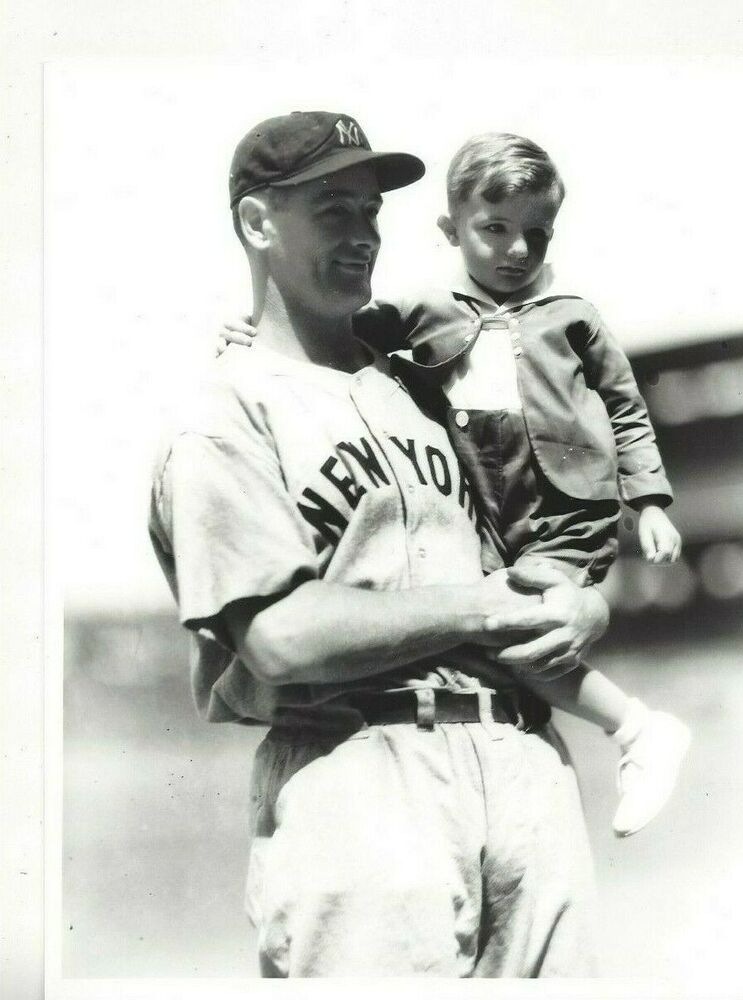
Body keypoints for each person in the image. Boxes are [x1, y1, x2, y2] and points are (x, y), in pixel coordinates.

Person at [150, 111, 610, 977]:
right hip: (359, 770)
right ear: (257, 224)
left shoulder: (418, 385)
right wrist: (484, 605)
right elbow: (279, 637)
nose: (364, 235)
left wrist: (580, 593)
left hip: (522, 763)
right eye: (333, 212)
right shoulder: (229, 414)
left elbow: (535, 520)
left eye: (371, 212)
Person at [220, 130, 691, 838]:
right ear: (451, 230)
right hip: (496, 514)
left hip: (568, 508)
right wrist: (249, 331)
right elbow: (342, 336)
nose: (517, 250)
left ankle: (635, 729)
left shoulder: (573, 319)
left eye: (535, 234)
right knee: (513, 626)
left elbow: (626, 409)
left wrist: (649, 501)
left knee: (520, 631)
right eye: (494, 229)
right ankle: (631, 728)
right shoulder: (426, 314)